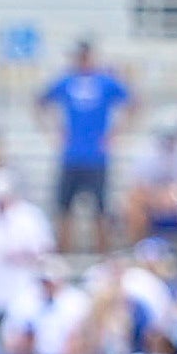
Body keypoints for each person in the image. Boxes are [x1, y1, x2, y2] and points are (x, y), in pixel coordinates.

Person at [38, 40, 132, 254]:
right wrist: (54, 131)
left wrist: (117, 133)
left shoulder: (106, 82)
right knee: (64, 211)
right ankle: (61, 260)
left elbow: (133, 102)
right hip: (71, 156)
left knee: (100, 212)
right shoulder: (66, 81)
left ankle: (102, 259)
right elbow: (41, 102)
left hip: (97, 157)